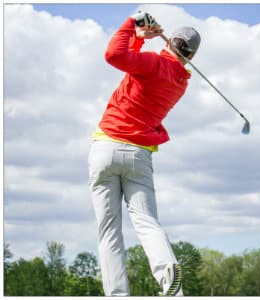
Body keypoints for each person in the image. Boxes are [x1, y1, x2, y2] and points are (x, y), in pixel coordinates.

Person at [88, 11, 201, 296]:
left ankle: (117, 294)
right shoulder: (180, 82)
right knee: (147, 221)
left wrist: (132, 25)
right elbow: (133, 67)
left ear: (169, 41)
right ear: (192, 56)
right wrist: (139, 40)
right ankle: (168, 275)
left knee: (109, 229)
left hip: (106, 147)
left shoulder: (153, 62)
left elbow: (114, 56)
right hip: (139, 156)